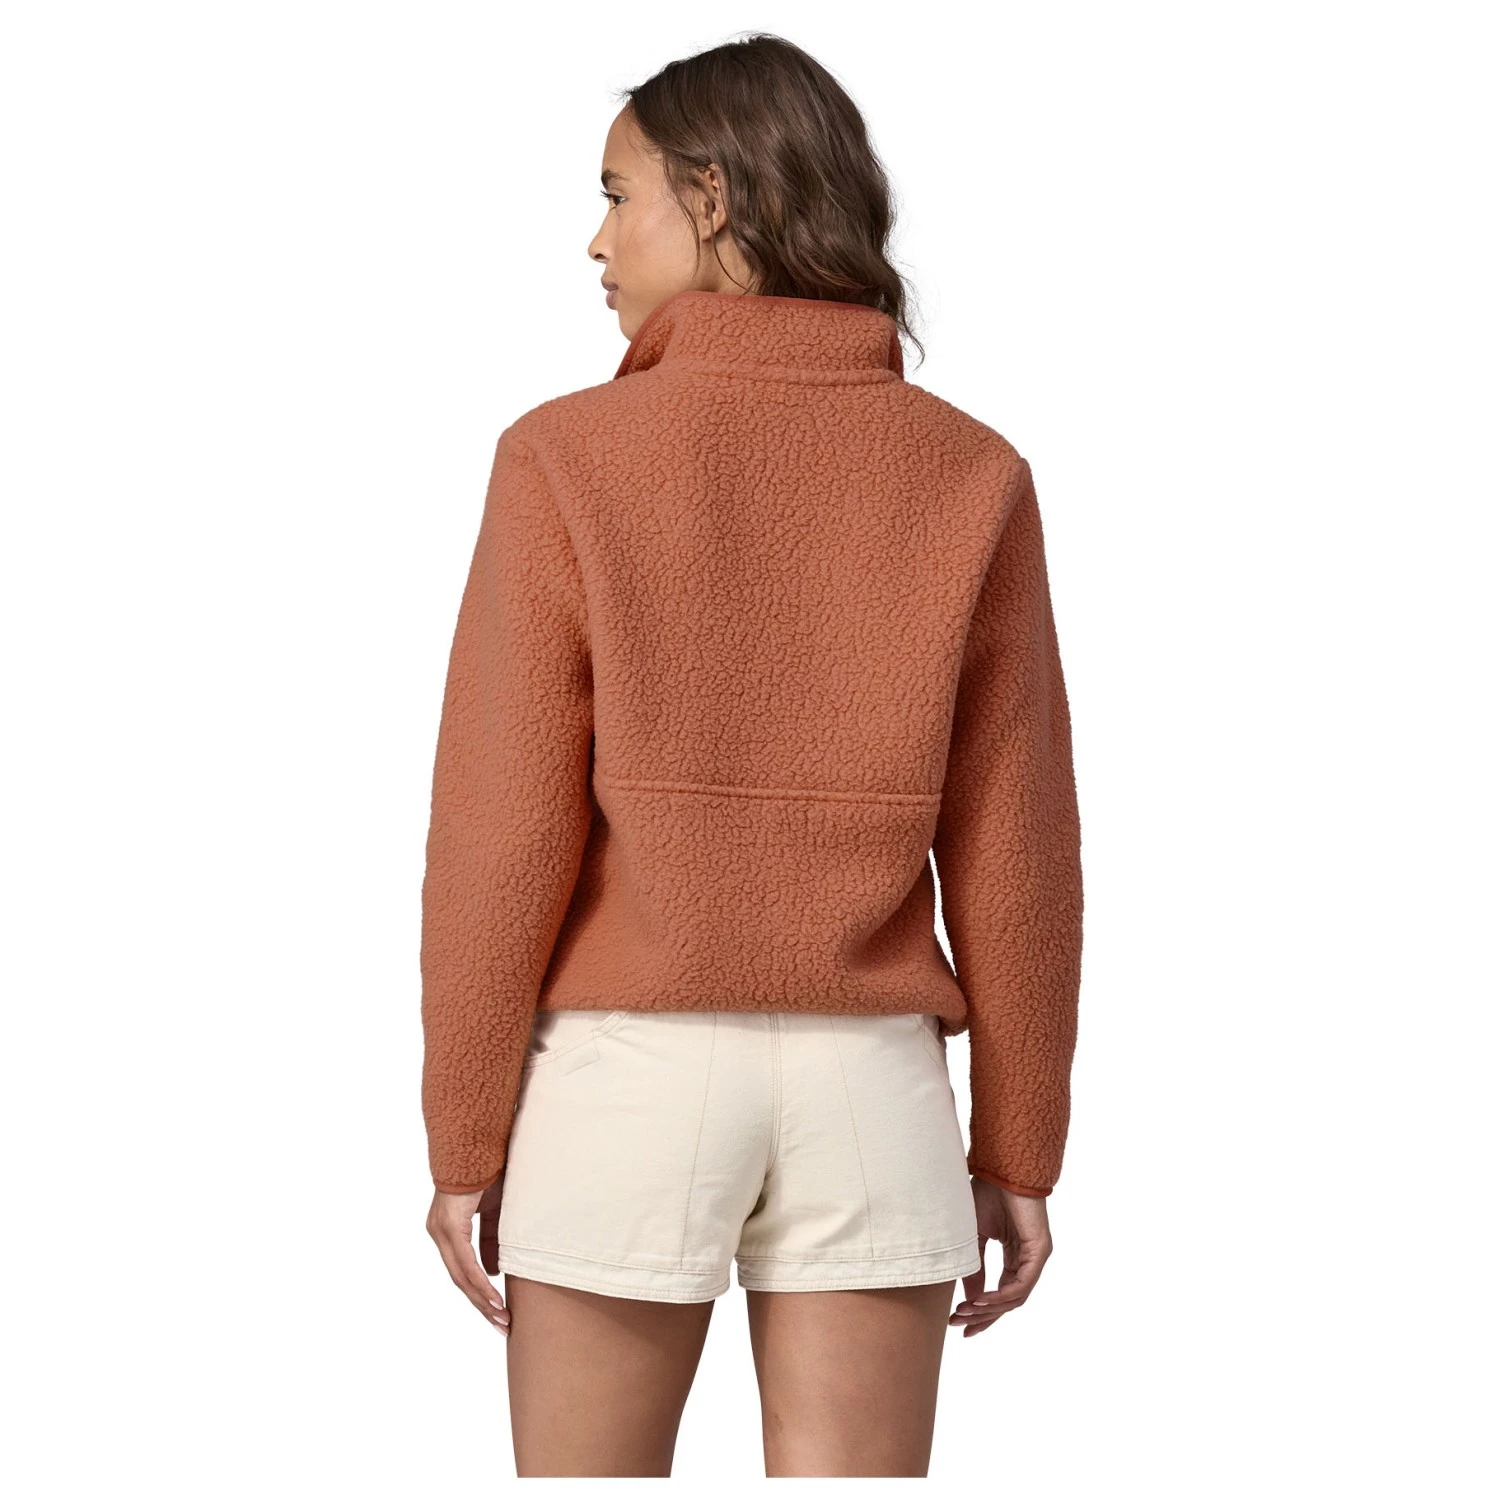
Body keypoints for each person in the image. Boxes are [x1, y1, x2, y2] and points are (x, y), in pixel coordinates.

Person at [419, 32, 1083, 1479]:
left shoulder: (564, 458)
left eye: (620, 194)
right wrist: (1019, 1144)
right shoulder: (973, 472)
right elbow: (1017, 845)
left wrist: (462, 1129)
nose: (598, 240)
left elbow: (500, 832)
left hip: (630, 1069)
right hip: (872, 1087)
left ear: (714, 199)